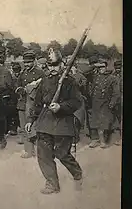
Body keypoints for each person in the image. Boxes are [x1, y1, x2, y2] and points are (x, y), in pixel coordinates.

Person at [26, 48, 83, 195]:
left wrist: (61, 107)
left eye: (55, 65)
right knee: (44, 154)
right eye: (49, 65)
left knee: (62, 153)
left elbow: (77, 102)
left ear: (62, 65)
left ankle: (77, 172)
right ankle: (52, 183)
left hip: (63, 122)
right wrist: (31, 119)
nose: (52, 68)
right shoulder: (45, 80)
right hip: (45, 121)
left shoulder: (70, 81)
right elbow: (38, 102)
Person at [15, 50, 45, 158]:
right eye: (25, 62)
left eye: (29, 62)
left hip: (33, 104)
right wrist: (19, 90)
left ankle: (39, 151)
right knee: (24, 127)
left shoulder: (40, 72)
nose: (27, 64)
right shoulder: (23, 73)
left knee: (35, 127)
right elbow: (17, 85)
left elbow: (43, 88)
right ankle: (28, 150)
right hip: (22, 103)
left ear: (34, 61)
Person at [87, 56, 120, 149]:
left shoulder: (112, 78)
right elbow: (84, 72)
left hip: (106, 103)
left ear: (106, 67)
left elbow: (116, 93)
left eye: (102, 67)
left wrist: (112, 103)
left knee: (105, 122)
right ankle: (96, 140)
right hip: (95, 102)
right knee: (94, 121)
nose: (100, 69)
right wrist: (94, 66)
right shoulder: (95, 76)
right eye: (99, 67)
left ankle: (104, 141)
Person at [112, 59, 122, 145]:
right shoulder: (113, 75)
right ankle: (118, 137)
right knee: (117, 118)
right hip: (116, 99)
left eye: (119, 67)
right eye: (116, 67)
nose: (118, 69)